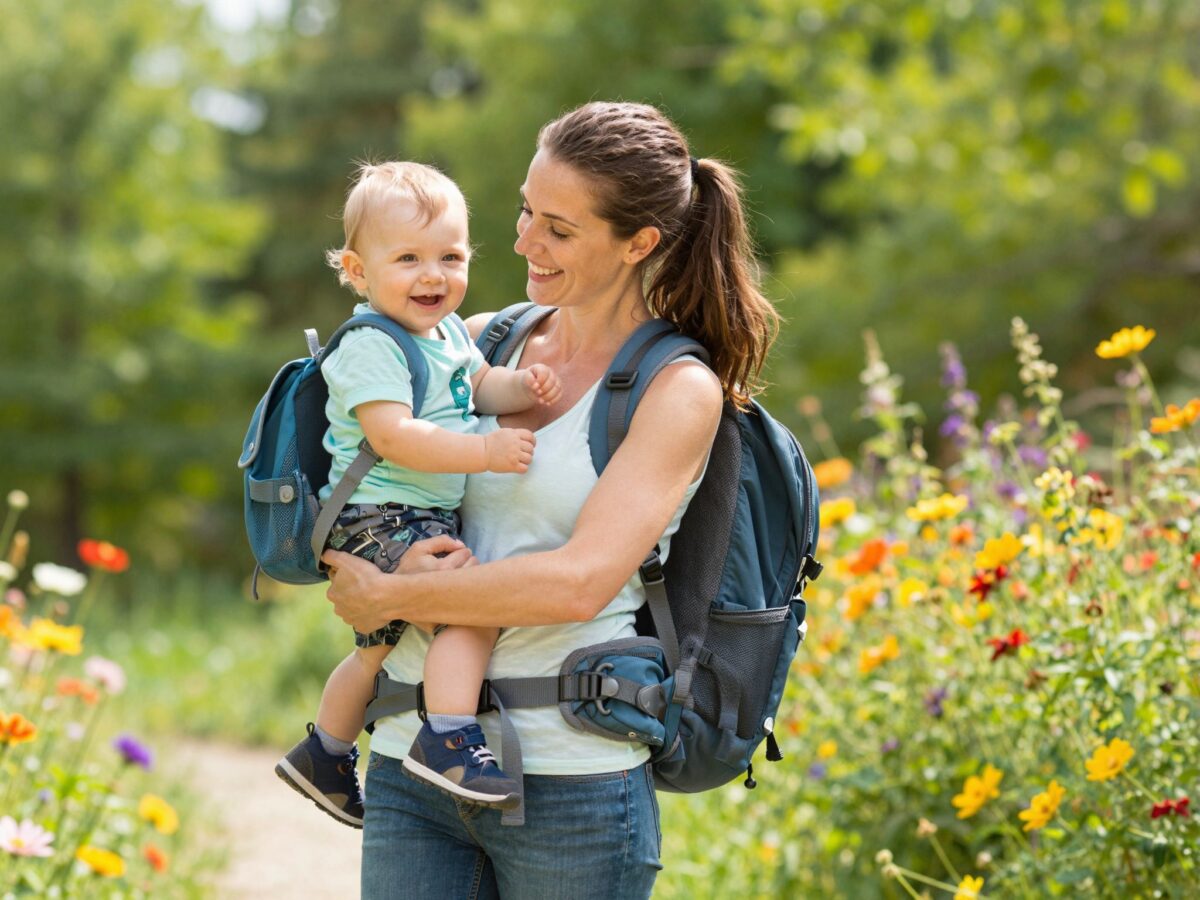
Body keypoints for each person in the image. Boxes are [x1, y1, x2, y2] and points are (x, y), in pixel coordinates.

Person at [320, 102, 780, 898]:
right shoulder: (479, 340)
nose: (524, 241)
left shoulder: (677, 390)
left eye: (559, 229)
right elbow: (374, 481)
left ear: (639, 243)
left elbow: (577, 583)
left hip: (571, 783)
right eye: (526, 210)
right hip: (408, 761)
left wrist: (391, 597)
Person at [275, 161, 563, 828]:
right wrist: (485, 452)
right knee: (469, 610)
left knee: (375, 649)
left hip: (407, 513)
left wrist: (521, 388)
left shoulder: (449, 333)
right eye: (408, 258)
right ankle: (449, 738)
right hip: (377, 514)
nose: (433, 275)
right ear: (357, 270)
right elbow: (395, 435)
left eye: (450, 257)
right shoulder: (370, 344)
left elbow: (477, 386)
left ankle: (324, 752)